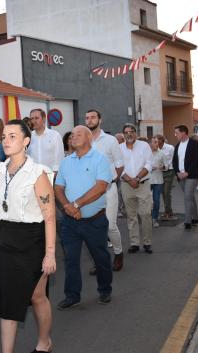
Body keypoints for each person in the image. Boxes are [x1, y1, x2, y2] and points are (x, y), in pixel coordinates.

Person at [0, 119, 56, 353]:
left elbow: (50, 216)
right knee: (8, 301)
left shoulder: (37, 174)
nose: (6, 141)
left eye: (13, 136)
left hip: (33, 241)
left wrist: (50, 254)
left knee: (37, 296)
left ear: (26, 141)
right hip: (5, 240)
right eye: (4, 137)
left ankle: (44, 342)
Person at [55, 125, 113, 310]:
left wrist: (76, 204)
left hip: (94, 221)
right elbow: (58, 187)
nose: (73, 136)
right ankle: (72, 295)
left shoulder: (100, 159)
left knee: (100, 257)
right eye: (72, 134)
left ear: (89, 138)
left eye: (78, 134)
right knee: (71, 259)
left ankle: (105, 290)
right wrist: (67, 207)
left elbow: (101, 187)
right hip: (70, 222)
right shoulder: (65, 161)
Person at [85, 109, 125, 271]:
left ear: (100, 120)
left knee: (109, 225)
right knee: (93, 228)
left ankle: (118, 253)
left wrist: (112, 180)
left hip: (108, 190)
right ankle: (99, 260)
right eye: (87, 118)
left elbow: (120, 165)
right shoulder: (83, 141)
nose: (89, 120)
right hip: (89, 192)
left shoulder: (110, 141)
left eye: (93, 117)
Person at [120, 123, 154, 253]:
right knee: (131, 215)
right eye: (126, 132)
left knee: (145, 214)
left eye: (131, 131)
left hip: (143, 184)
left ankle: (147, 242)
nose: (129, 134)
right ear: (123, 135)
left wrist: (138, 178)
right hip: (126, 185)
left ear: (136, 133)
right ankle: (134, 243)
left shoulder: (144, 146)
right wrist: (130, 180)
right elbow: (118, 166)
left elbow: (149, 163)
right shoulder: (119, 148)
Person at [173, 125, 198, 230]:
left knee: (187, 197)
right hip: (180, 176)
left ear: (184, 133)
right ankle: (196, 218)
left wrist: (187, 172)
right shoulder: (177, 145)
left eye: (177, 132)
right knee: (190, 197)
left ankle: (188, 221)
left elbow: (196, 159)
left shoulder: (194, 144)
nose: (175, 135)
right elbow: (174, 161)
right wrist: (177, 172)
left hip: (192, 175)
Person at [27, 108, 65, 173]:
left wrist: (54, 175)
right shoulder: (28, 137)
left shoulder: (55, 135)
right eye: (32, 119)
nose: (33, 121)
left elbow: (59, 158)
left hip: (50, 176)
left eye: (36, 118)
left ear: (44, 119)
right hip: (33, 177)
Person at [155, 134, 176, 219]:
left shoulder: (170, 148)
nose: (155, 143)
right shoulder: (155, 148)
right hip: (159, 172)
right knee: (163, 192)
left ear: (161, 140)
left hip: (169, 171)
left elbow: (174, 159)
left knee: (167, 192)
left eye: (157, 141)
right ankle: (168, 211)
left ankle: (168, 212)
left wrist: (166, 166)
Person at [150, 138, 165, 228]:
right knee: (146, 201)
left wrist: (162, 167)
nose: (157, 144)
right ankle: (147, 218)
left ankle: (154, 218)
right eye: (155, 142)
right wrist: (151, 168)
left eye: (158, 142)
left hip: (158, 180)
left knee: (156, 201)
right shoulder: (146, 153)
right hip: (147, 180)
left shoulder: (162, 153)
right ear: (150, 144)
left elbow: (166, 166)